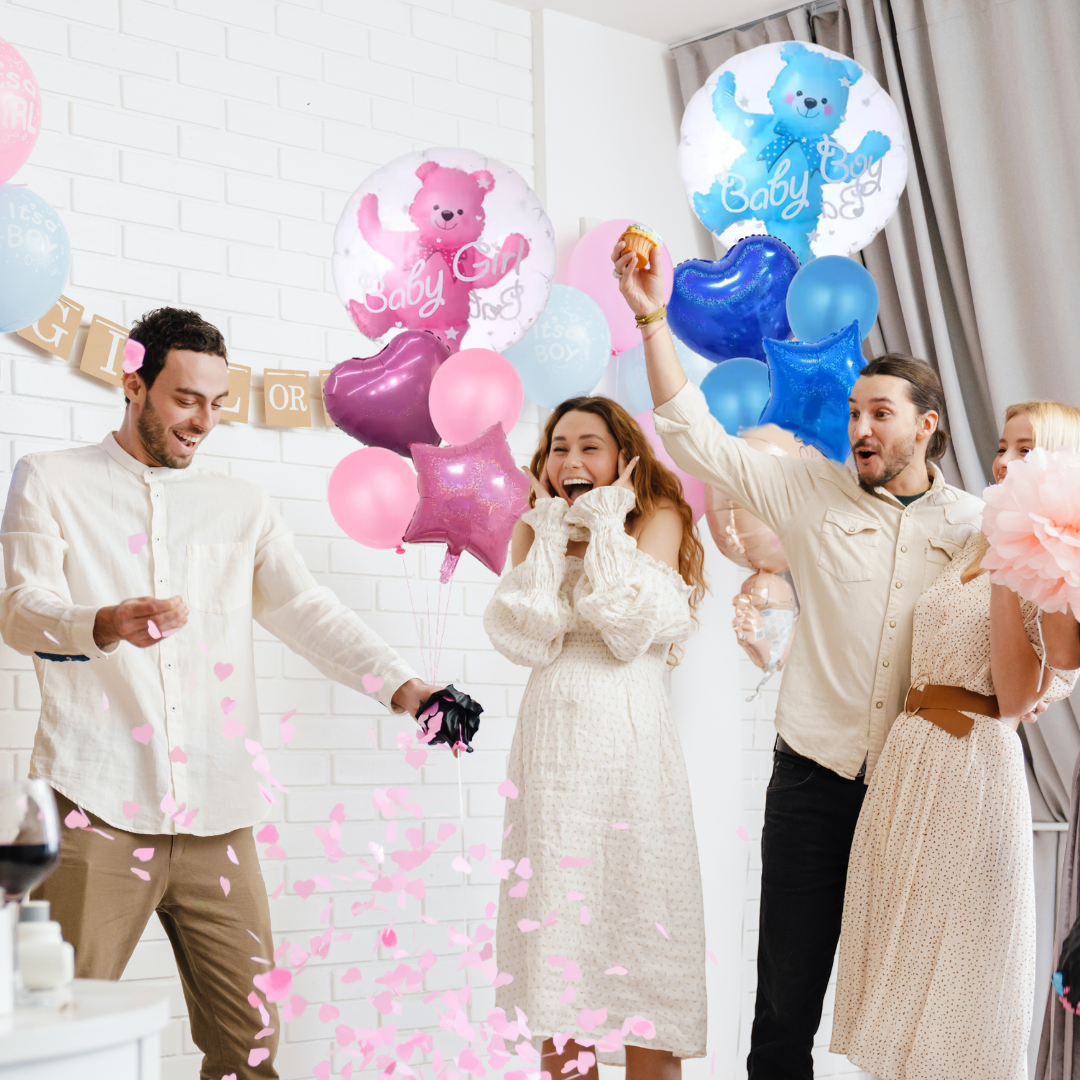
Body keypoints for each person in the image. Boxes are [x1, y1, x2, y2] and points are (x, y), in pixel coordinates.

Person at [0, 308, 439, 1080]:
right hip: (93, 803)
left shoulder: (242, 505)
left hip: (219, 813)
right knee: (54, 1046)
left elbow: (306, 609)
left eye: (217, 401)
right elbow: (18, 610)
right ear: (132, 384)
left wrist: (405, 686)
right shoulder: (50, 479)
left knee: (251, 1052)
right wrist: (99, 621)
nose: (204, 420)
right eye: (184, 399)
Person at [610, 239, 984, 1079]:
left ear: (926, 425)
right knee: (786, 1004)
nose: (858, 427)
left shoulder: (974, 526)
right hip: (813, 780)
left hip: (919, 787)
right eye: (854, 411)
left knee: (909, 1002)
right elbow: (696, 437)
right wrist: (649, 317)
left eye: (879, 413)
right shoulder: (809, 490)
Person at [832, 400, 1080, 1078]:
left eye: (1026, 450)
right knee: (901, 974)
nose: (1004, 462)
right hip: (912, 763)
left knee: (956, 986)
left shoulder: (1048, 558)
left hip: (971, 765)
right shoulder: (975, 541)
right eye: (1003, 446)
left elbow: (1019, 695)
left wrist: (1012, 568)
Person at [483, 396, 708, 1080]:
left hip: (630, 743)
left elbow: (625, 630)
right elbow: (529, 636)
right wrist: (550, 536)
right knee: (560, 929)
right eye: (558, 447)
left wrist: (606, 524)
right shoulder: (534, 530)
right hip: (552, 750)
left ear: (621, 457)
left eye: (589, 446)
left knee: (643, 925)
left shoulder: (658, 518)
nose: (571, 461)